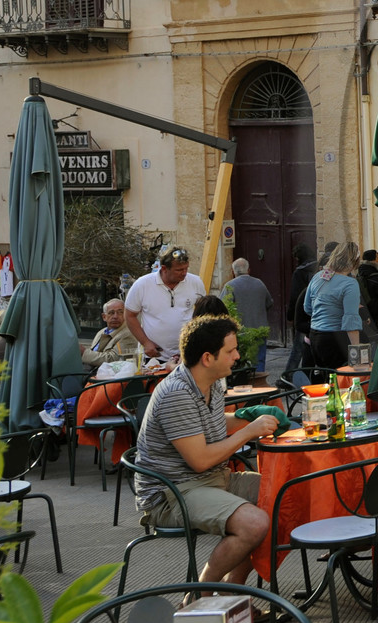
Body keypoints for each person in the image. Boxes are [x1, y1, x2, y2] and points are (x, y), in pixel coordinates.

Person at [133, 315, 279, 586]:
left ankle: (229, 593)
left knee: (285, 497)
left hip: (211, 480)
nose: (237, 356)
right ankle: (201, 596)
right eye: (230, 351)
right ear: (207, 358)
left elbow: (203, 424)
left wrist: (246, 417)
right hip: (172, 493)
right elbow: (199, 460)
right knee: (254, 523)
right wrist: (249, 431)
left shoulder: (207, 381)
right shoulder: (177, 393)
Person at [123, 246, 206, 360]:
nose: (184, 273)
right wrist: (146, 342)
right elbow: (129, 316)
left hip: (187, 354)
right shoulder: (143, 284)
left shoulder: (195, 282)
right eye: (179, 270)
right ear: (164, 268)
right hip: (155, 355)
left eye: (186, 268)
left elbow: (203, 313)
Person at [305, 242, 361, 373]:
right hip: (336, 338)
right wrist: (357, 353)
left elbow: (307, 308)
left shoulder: (318, 277)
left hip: (315, 335)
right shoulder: (350, 284)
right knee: (341, 379)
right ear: (355, 261)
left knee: (325, 377)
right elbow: (350, 321)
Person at [284, 243, 318, 378]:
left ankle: (288, 375)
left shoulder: (300, 272)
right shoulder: (318, 269)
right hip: (318, 311)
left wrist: (290, 315)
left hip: (303, 314)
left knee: (298, 347)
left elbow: (295, 296)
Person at [222, 258, 274, 336]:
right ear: (249, 270)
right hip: (260, 331)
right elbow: (269, 303)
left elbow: (223, 308)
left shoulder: (229, 286)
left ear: (232, 272)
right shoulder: (260, 283)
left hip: (240, 332)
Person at [80, 298, 135, 369]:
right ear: (104, 317)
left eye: (120, 312)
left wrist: (84, 352)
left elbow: (113, 360)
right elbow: (94, 351)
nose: (115, 316)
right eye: (111, 313)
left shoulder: (128, 334)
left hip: (107, 376)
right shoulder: (101, 332)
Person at [357, 249, 378, 333]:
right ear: (373, 260)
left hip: (366, 312)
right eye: (377, 257)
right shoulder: (376, 277)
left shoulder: (360, 274)